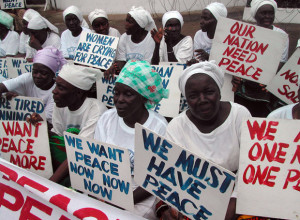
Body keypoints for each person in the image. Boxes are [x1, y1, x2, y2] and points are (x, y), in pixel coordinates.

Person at [156, 61, 251, 220]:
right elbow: (169, 173)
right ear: (186, 99)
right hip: (193, 195)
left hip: (239, 192)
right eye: (193, 96)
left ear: (219, 92)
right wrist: (170, 206)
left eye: (209, 92)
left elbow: (251, 166)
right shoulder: (176, 127)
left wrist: (234, 201)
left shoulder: (240, 115)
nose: (202, 99)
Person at [94, 60, 169, 219]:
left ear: (143, 97)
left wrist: (121, 201)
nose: (119, 99)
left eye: (128, 94)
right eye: (116, 92)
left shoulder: (159, 127)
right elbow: (97, 162)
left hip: (140, 195)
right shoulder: (107, 119)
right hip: (107, 186)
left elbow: (156, 180)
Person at [50, 64, 107, 184]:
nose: (54, 91)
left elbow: (80, 151)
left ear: (79, 92)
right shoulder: (60, 104)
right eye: (56, 85)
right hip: (68, 161)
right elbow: (57, 140)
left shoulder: (96, 110)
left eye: (61, 88)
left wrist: (49, 184)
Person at [233, 0, 289, 117]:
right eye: (263, 13)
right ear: (255, 15)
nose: (267, 16)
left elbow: (281, 63)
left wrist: (266, 77)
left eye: (270, 13)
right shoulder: (247, 33)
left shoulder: (282, 36)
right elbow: (239, 59)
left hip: (267, 84)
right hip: (245, 82)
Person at [0, 46, 66, 124]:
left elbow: (43, 121)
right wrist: (7, 98)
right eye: (35, 72)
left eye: (43, 73)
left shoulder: (56, 91)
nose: (38, 76)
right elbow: (2, 86)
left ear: (53, 74)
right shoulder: (27, 78)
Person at [104, 6, 156, 78]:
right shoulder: (124, 37)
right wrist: (115, 67)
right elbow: (121, 60)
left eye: (130, 22)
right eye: (126, 20)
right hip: (128, 76)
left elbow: (147, 67)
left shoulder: (151, 39)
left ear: (140, 25)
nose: (126, 24)